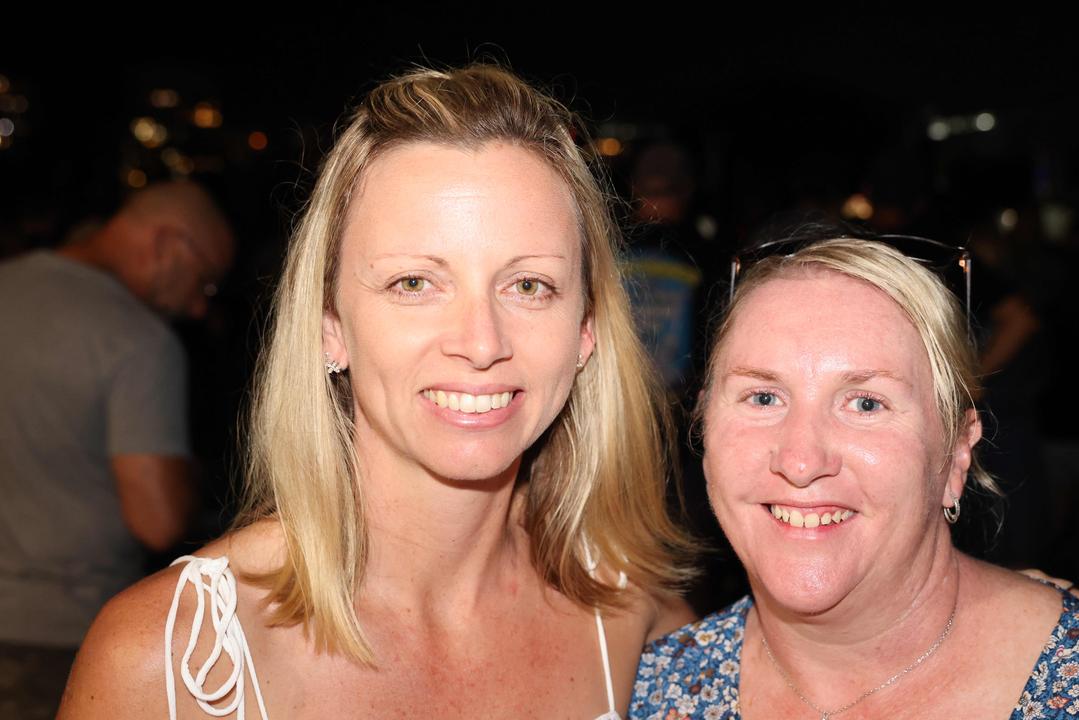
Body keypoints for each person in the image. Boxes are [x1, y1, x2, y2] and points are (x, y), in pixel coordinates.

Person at [58, 66, 696, 719]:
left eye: (529, 285)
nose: (480, 343)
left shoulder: (640, 627)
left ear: (585, 330)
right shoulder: (168, 661)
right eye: (414, 283)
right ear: (330, 327)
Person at [631, 225, 1079, 719]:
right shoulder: (657, 693)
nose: (800, 459)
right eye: (763, 398)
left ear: (955, 455)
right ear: (703, 433)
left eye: (866, 403)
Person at [0, 181, 233, 719]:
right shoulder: (139, 342)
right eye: (207, 283)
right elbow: (157, 519)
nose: (200, 307)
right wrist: (189, 476)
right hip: (56, 640)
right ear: (167, 244)